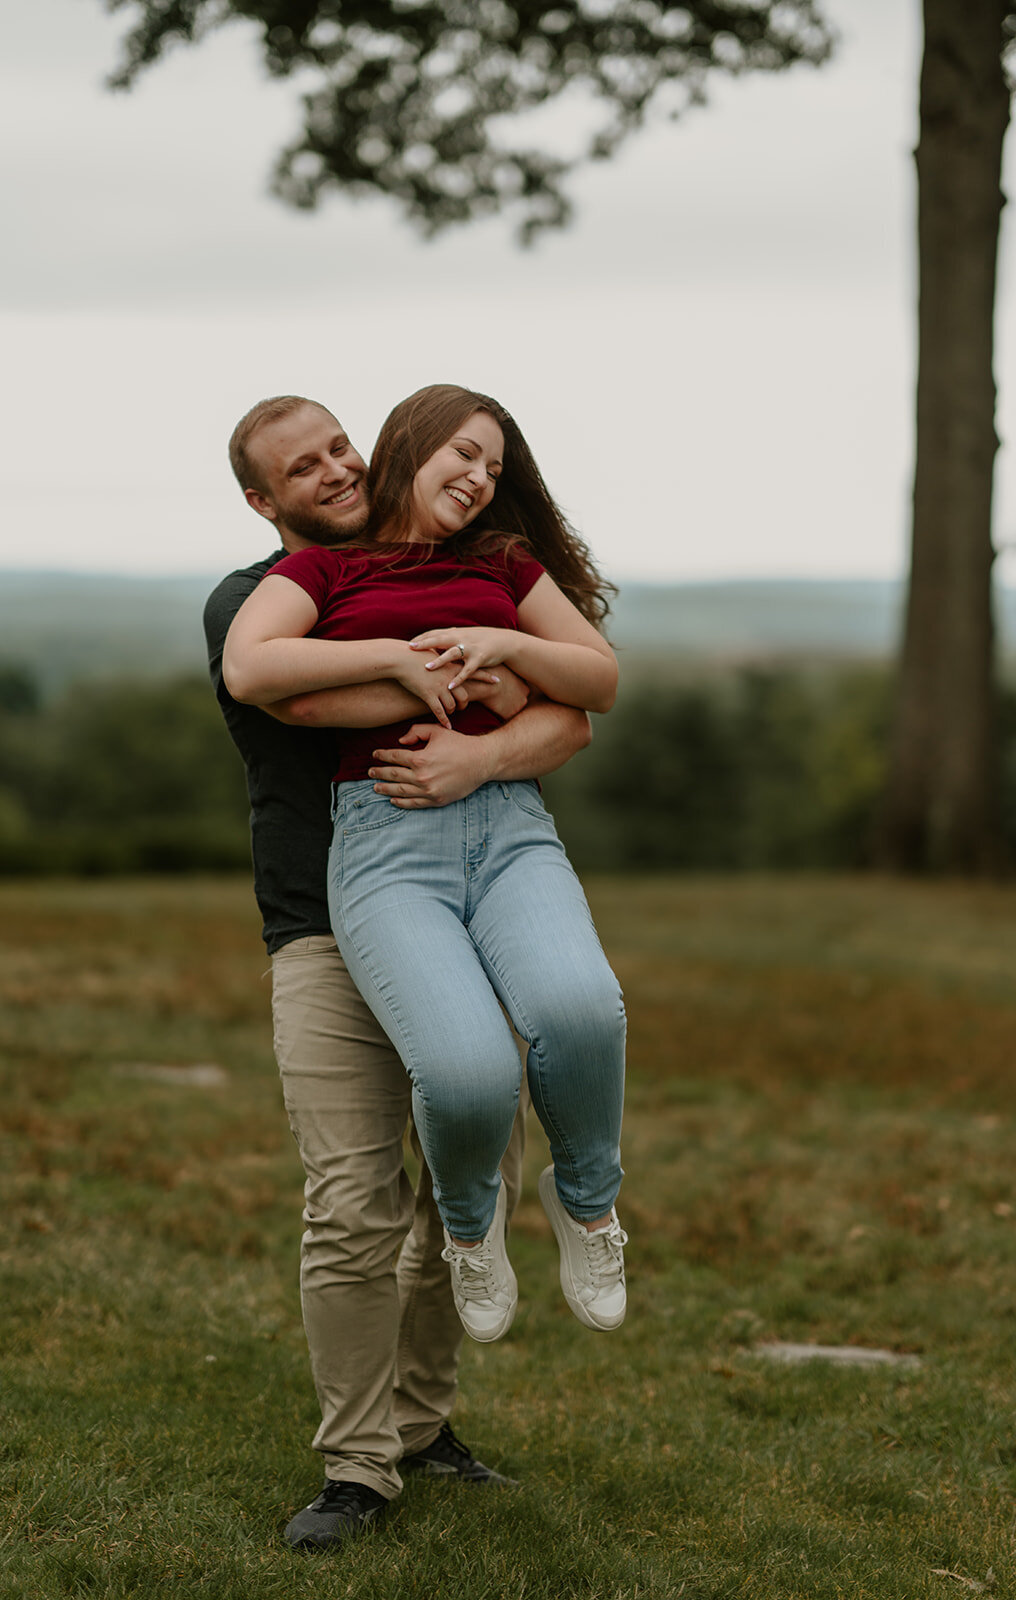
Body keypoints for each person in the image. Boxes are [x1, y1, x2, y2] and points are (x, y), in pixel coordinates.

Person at [205, 392, 596, 1551]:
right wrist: (498, 684)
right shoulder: (254, 604)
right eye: (299, 466)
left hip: (462, 919)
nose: (331, 470)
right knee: (351, 1201)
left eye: (339, 446)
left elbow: (569, 722)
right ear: (260, 499)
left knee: (460, 1179)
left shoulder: (452, 569)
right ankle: (357, 1465)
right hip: (322, 930)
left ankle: (425, 1428)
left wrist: (497, 730)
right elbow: (294, 690)